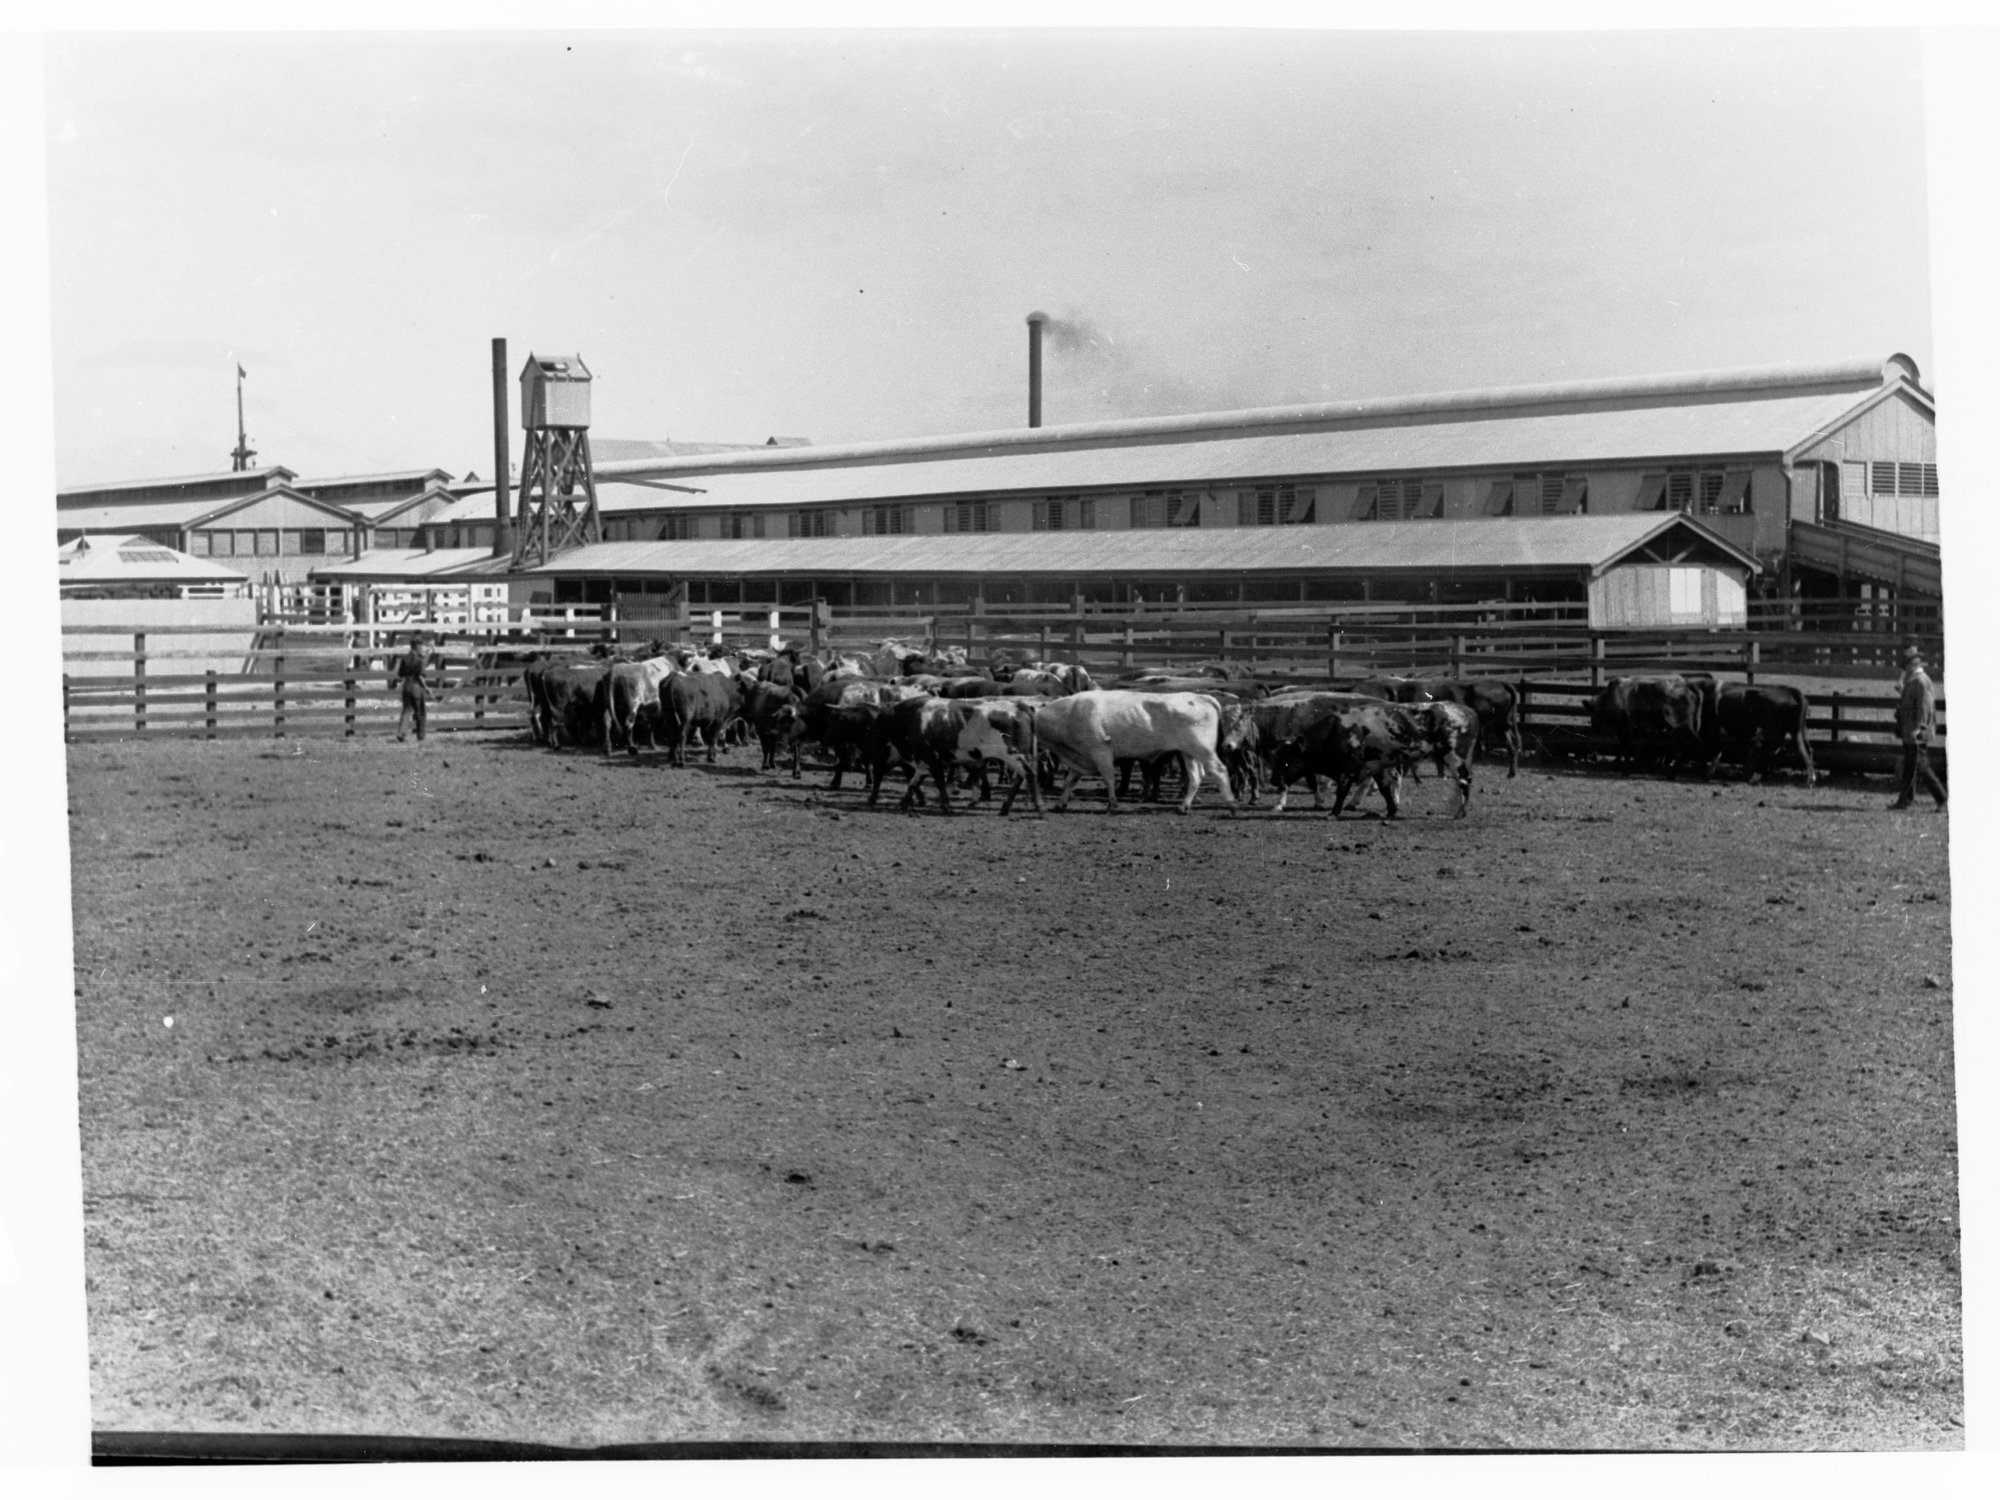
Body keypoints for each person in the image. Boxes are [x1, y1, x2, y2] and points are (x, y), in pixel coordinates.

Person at [1891, 644, 1946, 810]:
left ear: (1911, 665)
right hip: (1910, 731)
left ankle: (1942, 799)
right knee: (1911, 766)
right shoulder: (1913, 681)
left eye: (1905, 666)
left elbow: (1925, 707)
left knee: (1921, 766)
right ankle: (1905, 800)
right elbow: (1913, 703)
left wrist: (1921, 728)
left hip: (1916, 732)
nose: (1903, 669)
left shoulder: (1921, 682)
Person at [394, 634, 435, 743]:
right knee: (420, 711)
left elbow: (400, 673)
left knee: (406, 710)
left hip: (406, 686)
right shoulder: (419, 660)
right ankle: (421, 736)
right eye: (420, 645)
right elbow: (420, 676)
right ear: (416, 646)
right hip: (416, 687)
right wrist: (426, 688)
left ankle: (401, 733)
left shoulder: (405, 658)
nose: (422, 647)